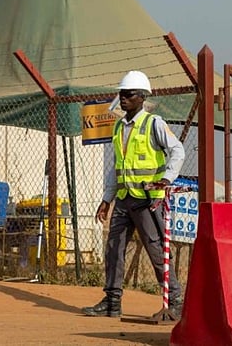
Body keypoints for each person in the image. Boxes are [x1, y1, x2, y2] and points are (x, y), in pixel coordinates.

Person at [82, 70, 186, 318]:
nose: (123, 98)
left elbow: (178, 151)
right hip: (124, 199)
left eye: (128, 94)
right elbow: (117, 166)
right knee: (114, 247)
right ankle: (112, 301)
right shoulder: (119, 127)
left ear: (142, 97)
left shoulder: (153, 124)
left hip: (147, 201)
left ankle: (176, 301)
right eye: (122, 94)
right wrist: (107, 199)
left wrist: (165, 180)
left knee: (156, 249)